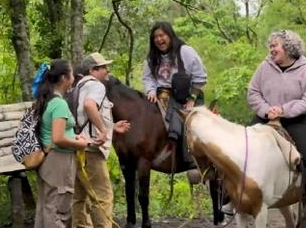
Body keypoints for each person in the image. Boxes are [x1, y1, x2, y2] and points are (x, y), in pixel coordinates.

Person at [247, 29, 306, 226]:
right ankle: (231, 199)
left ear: (288, 48)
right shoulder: (264, 67)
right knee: (242, 149)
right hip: (265, 119)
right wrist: (266, 110)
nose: (271, 49)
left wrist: (284, 110)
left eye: (275, 45)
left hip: (297, 120)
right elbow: (253, 92)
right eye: (270, 46)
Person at [71, 52, 130, 228]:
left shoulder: (77, 86)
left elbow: (82, 117)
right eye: (104, 67)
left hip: (77, 147)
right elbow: (90, 106)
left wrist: (111, 126)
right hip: (91, 151)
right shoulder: (96, 86)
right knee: (103, 197)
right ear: (93, 70)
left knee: (79, 197)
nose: (107, 70)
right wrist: (103, 130)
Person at [142, 21, 207, 167]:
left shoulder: (185, 51)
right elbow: (147, 77)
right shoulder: (152, 57)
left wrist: (191, 99)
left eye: (162, 35)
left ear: (170, 35)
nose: (159, 39)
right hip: (161, 95)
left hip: (186, 95)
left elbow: (200, 76)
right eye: (155, 37)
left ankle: (194, 161)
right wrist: (150, 90)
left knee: (192, 125)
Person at [33, 59, 89, 228]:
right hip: (60, 161)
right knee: (59, 209)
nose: (73, 78)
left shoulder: (46, 101)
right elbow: (58, 138)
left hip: (47, 160)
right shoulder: (59, 104)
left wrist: (74, 137)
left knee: (45, 207)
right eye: (72, 74)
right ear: (65, 78)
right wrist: (80, 144)